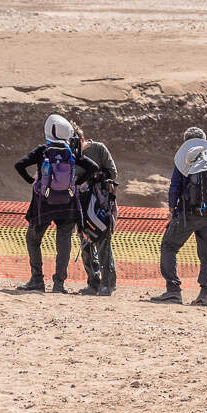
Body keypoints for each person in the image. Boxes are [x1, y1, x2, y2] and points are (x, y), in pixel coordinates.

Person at [12, 113, 91, 293]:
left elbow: (19, 165)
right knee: (63, 242)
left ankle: (37, 280)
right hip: (68, 203)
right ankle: (59, 284)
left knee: (33, 239)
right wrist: (76, 183)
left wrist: (31, 181)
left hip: (44, 203)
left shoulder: (43, 151)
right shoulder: (71, 152)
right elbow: (92, 167)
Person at [156, 127, 207, 305]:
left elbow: (175, 187)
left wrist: (172, 209)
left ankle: (173, 291)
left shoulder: (183, 158)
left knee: (169, 246)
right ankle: (205, 294)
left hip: (187, 214)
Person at [73, 124, 119, 297]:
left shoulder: (99, 148)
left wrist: (94, 176)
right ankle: (93, 283)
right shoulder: (71, 153)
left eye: (76, 143)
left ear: (82, 139)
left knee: (102, 243)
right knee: (85, 244)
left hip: (100, 203)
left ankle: (108, 283)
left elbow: (113, 173)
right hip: (81, 204)